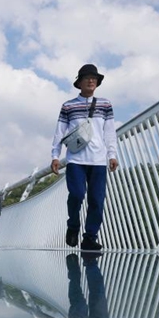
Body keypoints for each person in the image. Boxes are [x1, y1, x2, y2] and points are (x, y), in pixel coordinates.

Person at [51, 64, 118, 251]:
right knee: (77, 195)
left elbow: (110, 132)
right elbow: (59, 132)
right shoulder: (68, 106)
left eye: (94, 78)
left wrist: (112, 154)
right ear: (79, 82)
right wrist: (55, 156)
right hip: (75, 160)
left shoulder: (105, 104)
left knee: (97, 200)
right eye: (87, 77)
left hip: (98, 160)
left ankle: (90, 237)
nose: (91, 80)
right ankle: (73, 225)